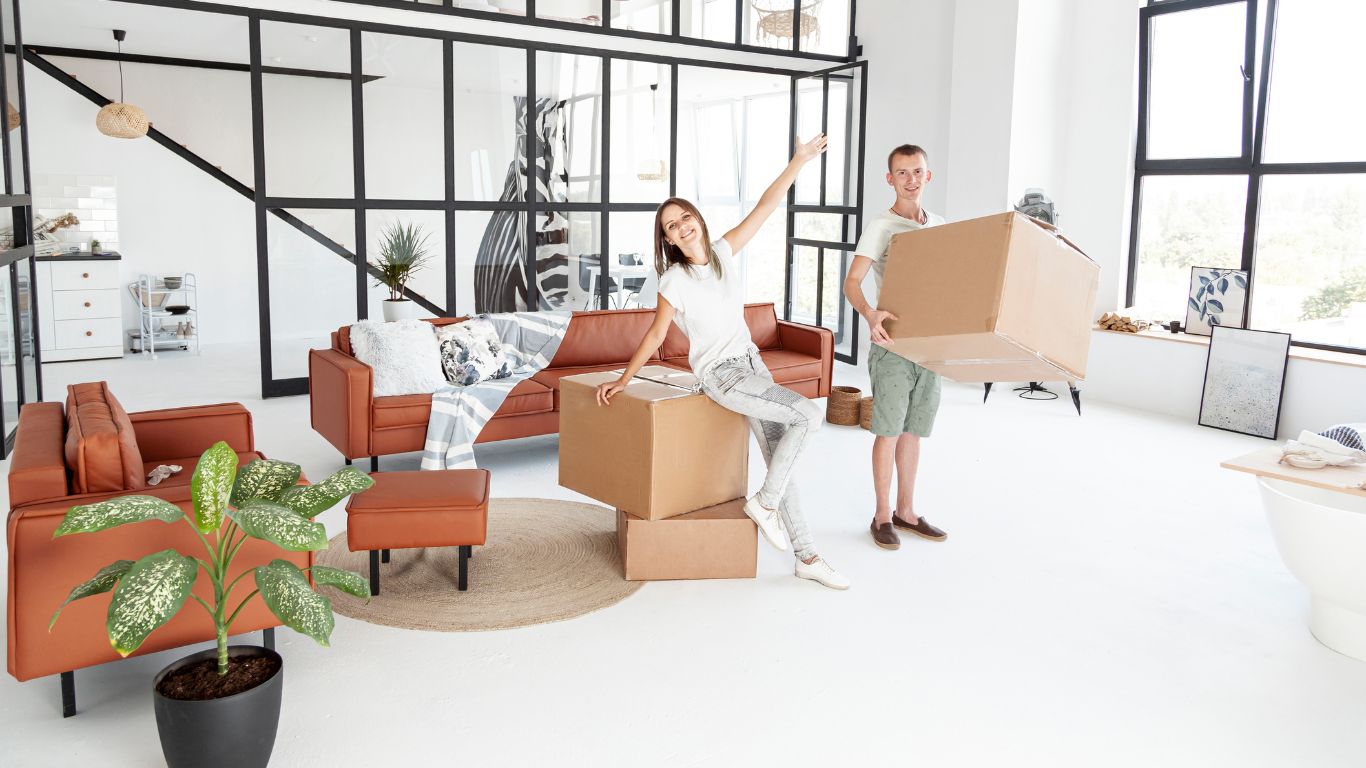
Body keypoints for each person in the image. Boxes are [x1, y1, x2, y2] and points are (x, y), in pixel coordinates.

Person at [596, 135, 849, 590]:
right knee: (809, 415)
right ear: (668, 240)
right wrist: (624, 378)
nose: (681, 228)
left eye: (684, 218)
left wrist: (798, 161)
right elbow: (655, 333)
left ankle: (806, 555)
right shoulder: (673, 279)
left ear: (697, 220)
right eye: (671, 227)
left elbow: (767, 206)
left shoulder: (725, 255)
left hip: (753, 365)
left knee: (779, 459)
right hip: (723, 377)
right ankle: (765, 504)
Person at [841, 144, 949, 551]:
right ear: (890, 179)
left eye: (917, 171)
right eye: (901, 173)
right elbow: (852, 282)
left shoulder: (938, 225)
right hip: (893, 344)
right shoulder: (881, 227)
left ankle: (907, 511)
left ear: (928, 175)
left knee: (913, 431)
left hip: (929, 345)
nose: (910, 179)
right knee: (887, 430)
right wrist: (869, 314)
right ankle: (882, 515)